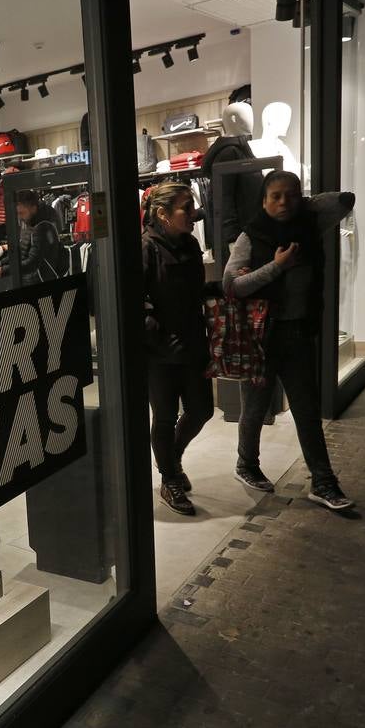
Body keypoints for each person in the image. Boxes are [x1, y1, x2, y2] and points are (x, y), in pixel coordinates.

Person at [223, 170, 356, 511]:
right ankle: (246, 465)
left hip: (297, 333)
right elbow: (232, 286)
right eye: (275, 196)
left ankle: (323, 481)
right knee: (254, 408)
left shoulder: (310, 228)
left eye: (291, 195)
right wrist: (276, 266)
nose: (283, 202)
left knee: (306, 411)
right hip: (260, 337)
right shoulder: (250, 236)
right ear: (263, 200)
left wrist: (305, 205)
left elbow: (345, 200)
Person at [142, 183, 221, 516]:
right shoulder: (145, 248)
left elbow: (193, 291)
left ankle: (171, 460)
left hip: (192, 342)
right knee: (163, 417)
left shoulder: (189, 243)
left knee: (201, 409)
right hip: (160, 352)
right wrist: (158, 337)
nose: (193, 214)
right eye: (185, 208)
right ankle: (169, 478)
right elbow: (136, 300)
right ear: (163, 214)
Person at [0, 190, 65, 286]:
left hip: (41, 280)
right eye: (17, 213)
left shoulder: (42, 227)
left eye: (21, 213)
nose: (19, 217)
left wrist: (2, 270)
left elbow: (33, 262)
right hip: (30, 278)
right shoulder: (29, 223)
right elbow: (21, 251)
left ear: (33, 208)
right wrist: (0, 264)